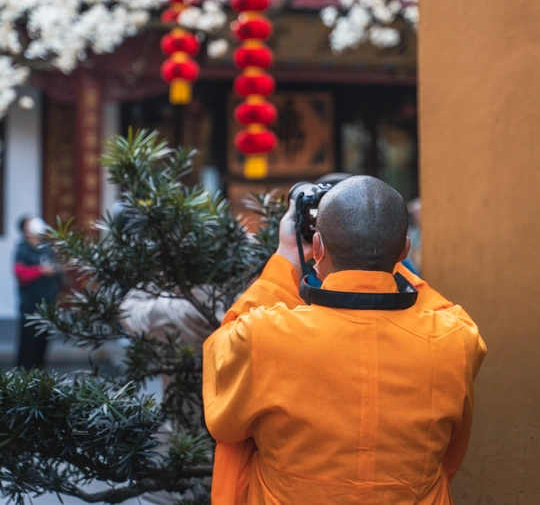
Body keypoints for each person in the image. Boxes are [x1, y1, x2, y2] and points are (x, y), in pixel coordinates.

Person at [203, 176, 486, 505]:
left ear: (319, 247)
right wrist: (386, 259)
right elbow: (442, 309)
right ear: (404, 251)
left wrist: (287, 257)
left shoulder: (262, 338)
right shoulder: (455, 342)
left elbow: (222, 353)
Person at [13, 215, 65, 370]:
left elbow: (56, 269)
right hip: (30, 304)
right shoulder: (22, 250)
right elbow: (20, 274)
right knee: (29, 342)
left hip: (47, 303)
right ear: (25, 230)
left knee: (43, 342)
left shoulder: (46, 247)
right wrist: (40, 271)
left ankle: (39, 374)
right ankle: (24, 376)